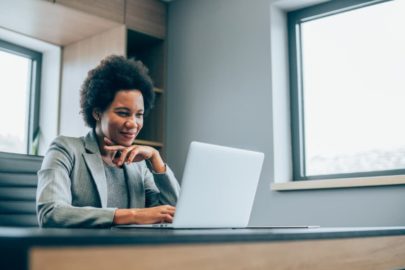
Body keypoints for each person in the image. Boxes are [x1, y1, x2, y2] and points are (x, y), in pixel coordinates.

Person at [36, 55, 180, 228]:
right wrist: (132, 215)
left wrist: (156, 159)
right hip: (84, 252)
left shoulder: (139, 165)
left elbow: (172, 212)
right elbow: (50, 212)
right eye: (123, 113)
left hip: (132, 252)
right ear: (97, 113)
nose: (133, 123)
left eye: (139, 115)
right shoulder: (65, 149)